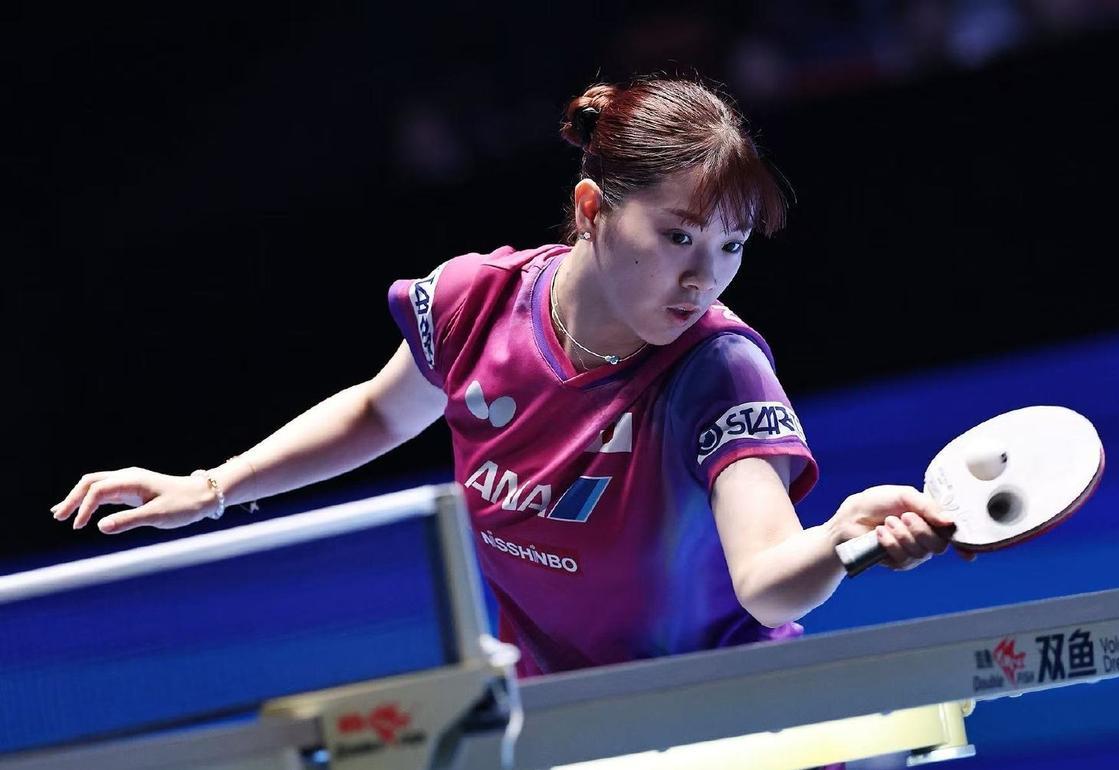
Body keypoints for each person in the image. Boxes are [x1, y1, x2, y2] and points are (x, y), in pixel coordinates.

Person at [50, 75, 972, 680]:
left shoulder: (718, 371)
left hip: (720, 712)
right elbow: (379, 414)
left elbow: (766, 580)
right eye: (679, 235)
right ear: (592, 209)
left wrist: (841, 540)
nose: (705, 278)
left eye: (731, 246)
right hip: (557, 713)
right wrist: (212, 487)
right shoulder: (475, 302)